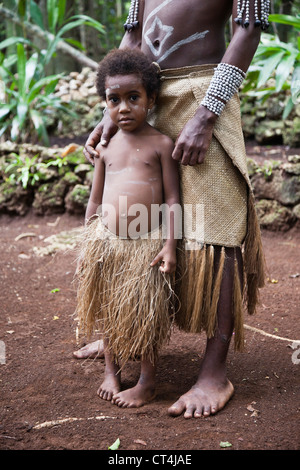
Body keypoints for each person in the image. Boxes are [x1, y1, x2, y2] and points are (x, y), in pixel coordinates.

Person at [75, 0, 267, 418]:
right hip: (147, 97)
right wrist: (112, 111)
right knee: (137, 232)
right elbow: (133, 36)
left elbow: (248, 29)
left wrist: (207, 114)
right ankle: (122, 331)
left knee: (213, 227)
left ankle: (214, 373)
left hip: (203, 94)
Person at [75, 48, 180, 408]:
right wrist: (88, 241)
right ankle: (111, 370)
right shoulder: (106, 148)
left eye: (133, 98)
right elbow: (95, 198)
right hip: (108, 243)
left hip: (144, 248)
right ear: (105, 103)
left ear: (151, 99)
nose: (123, 108)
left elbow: (172, 201)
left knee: (144, 311)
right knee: (109, 306)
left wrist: (170, 245)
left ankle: (148, 381)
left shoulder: (161, 144)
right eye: (114, 99)